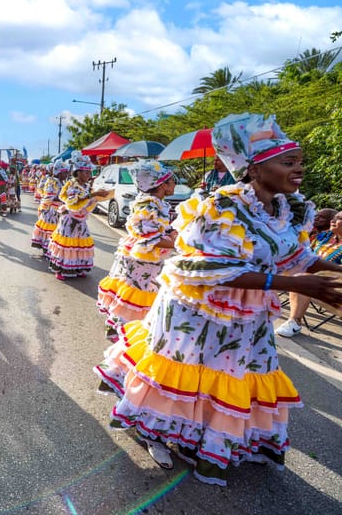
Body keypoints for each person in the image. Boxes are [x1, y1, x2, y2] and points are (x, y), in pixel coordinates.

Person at [93, 113, 342, 484]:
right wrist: (299, 285)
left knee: (234, 374)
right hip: (195, 312)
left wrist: (330, 271)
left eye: (300, 162)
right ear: (255, 170)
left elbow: (296, 255)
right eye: (288, 162)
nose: (299, 170)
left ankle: (207, 438)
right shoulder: (221, 207)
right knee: (183, 373)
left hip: (248, 314)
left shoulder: (291, 209)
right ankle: (155, 432)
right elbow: (207, 270)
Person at [96, 160, 177, 342]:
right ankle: (124, 331)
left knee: (136, 289)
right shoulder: (149, 205)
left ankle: (121, 327)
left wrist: (171, 232)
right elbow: (150, 237)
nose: (175, 185)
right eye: (172, 181)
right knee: (138, 292)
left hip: (145, 258)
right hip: (143, 259)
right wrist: (177, 242)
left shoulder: (155, 203)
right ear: (162, 185)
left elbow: (160, 229)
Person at [276, 208, 342, 337]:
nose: (333, 220)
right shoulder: (325, 236)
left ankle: (294, 322)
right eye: (334, 217)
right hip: (311, 277)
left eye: (340, 219)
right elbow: (305, 251)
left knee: (303, 277)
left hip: (334, 285)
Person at [47, 158, 108, 279]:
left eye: (90, 173)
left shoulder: (86, 186)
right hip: (69, 220)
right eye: (86, 172)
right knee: (66, 245)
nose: (89, 175)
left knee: (80, 244)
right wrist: (94, 194)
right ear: (78, 172)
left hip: (81, 220)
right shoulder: (71, 184)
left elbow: (86, 201)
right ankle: (60, 270)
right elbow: (73, 201)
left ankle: (78, 268)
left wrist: (97, 197)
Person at [30, 160, 69, 256]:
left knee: (58, 232)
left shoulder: (62, 182)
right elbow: (49, 196)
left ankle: (53, 250)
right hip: (52, 211)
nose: (66, 174)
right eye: (64, 172)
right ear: (59, 173)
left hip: (60, 210)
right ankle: (48, 250)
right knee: (50, 232)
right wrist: (62, 198)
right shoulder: (52, 181)